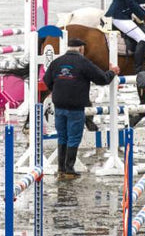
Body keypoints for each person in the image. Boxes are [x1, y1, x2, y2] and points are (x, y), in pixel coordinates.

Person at [43, 38, 120, 178]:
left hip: (59, 105)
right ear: (81, 49)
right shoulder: (84, 63)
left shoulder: (56, 62)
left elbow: (46, 79)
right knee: (73, 137)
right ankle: (69, 169)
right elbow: (102, 79)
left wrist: (58, 88)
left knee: (62, 137)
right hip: (75, 107)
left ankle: (61, 168)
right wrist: (112, 72)